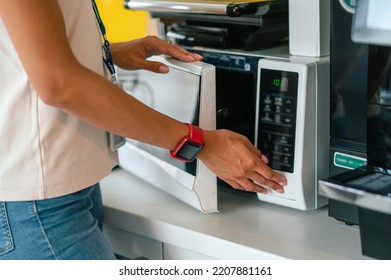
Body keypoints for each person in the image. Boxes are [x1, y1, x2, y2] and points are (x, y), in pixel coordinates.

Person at [0, 0, 287, 260]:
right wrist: (201, 143)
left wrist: (104, 52)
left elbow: (23, 54)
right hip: (35, 204)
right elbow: (61, 85)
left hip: (66, 188)